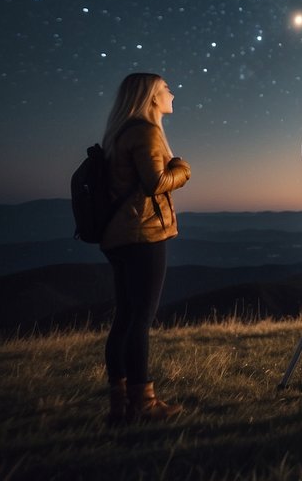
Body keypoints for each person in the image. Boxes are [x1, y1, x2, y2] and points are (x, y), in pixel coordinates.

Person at [99, 72, 191, 424]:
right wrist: (182, 168)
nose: (172, 93)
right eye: (166, 89)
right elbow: (156, 183)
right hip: (143, 236)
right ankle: (144, 400)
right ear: (152, 97)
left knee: (125, 317)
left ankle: (119, 402)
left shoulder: (121, 132)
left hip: (119, 236)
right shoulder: (146, 131)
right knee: (140, 319)